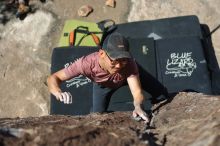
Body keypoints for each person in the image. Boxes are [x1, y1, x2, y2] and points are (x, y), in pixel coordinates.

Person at [47, 32, 149, 123]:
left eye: (123, 59)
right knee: (97, 115)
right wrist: (58, 92)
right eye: (114, 60)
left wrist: (138, 106)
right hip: (103, 86)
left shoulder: (129, 64)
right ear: (101, 54)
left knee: (158, 91)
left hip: (126, 77)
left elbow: (136, 92)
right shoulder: (85, 64)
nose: (119, 66)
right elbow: (53, 78)